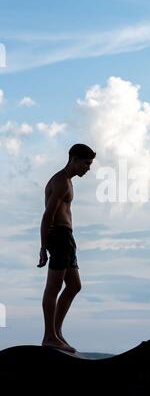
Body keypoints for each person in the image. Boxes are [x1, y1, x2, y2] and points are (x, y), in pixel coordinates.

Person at [37, 144, 96, 351]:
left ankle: (56, 332)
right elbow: (48, 215)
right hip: (59, 237)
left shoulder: (69, 181)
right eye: (86, 164)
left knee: (74, 286)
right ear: (74, 159)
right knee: (53, 287)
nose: (88, 168)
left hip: (66, 238)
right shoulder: (61, 181)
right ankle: (49, 336)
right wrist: (43, 248)